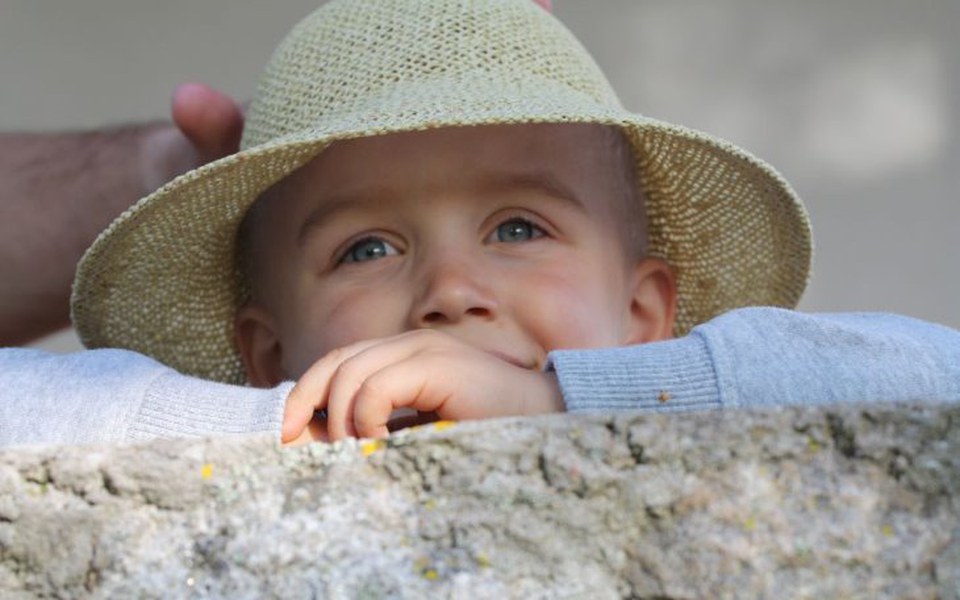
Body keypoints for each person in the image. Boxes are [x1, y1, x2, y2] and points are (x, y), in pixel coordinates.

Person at [2, 0, 958, 448]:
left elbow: (935, 375)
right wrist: (272, 426)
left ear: (642, 313)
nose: (450, 294)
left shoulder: (701, 415)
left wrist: (564, 400)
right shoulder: (259, 428)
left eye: (517, 229)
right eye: (365, 248)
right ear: (264, 351)